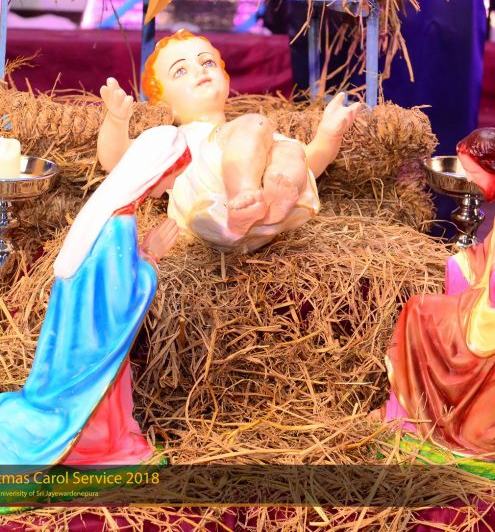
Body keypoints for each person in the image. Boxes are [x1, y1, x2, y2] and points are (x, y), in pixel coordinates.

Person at [0, 126, 191, 465]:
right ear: (158, 170)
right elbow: (120, 301)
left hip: (79, 329)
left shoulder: (109, 210)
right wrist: (151, 259)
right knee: (92, 404)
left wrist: (141, 255)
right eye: (174, 174)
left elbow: (106, 277)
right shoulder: (119, 223)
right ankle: (93, 445)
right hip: (91, 345)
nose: (173, 184)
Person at [97, 29, 361, 252]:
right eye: (180, 71)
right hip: (208, 203)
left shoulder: (249, 135)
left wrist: (329, 134)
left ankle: (273, 205)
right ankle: (242, 198)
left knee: (289, 151)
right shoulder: (174, 139)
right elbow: (116, 161)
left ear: (225, 79)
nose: (199, 71)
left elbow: (311, 162)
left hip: (259, 215)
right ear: (163, 102)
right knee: (256, 125)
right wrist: (116, 119)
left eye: (207, 63)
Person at [384, 127, 495, 456]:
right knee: (423, 309)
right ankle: (405, 415)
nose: (470, 181)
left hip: (485, 326)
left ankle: (410, 417)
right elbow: (486, 257)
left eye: (474, 173)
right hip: (482, 308)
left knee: (418, 312)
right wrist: (463, 262)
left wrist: (471, 300)